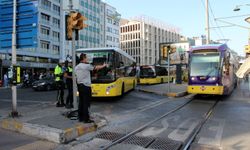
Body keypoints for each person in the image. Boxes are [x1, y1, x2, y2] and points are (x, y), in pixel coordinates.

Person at [75, 53, 107, 123]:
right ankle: (86, 119)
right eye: (86, 58)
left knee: (81, 102)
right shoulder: (86, 66)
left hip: (79, 86)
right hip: (86, 86)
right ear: (83, 58)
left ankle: (80, 118)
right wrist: (103, 65)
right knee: (86, 103)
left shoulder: (76, 67)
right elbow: (96, 67)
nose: (87, 59)